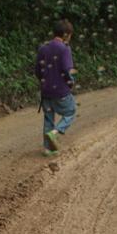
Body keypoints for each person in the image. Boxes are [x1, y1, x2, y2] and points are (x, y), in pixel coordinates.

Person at [34, 20, 77, 157]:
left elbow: (37, 70)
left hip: (46, 91)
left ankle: (47, 149)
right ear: (66, 35)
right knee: (71, 111)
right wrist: (71, 83)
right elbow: (66, 70)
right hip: (61, 91)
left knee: (48, 118)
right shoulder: (65, 49)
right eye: (70, 35)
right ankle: (55, 132)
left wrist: (44, 83)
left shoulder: (43, 48)